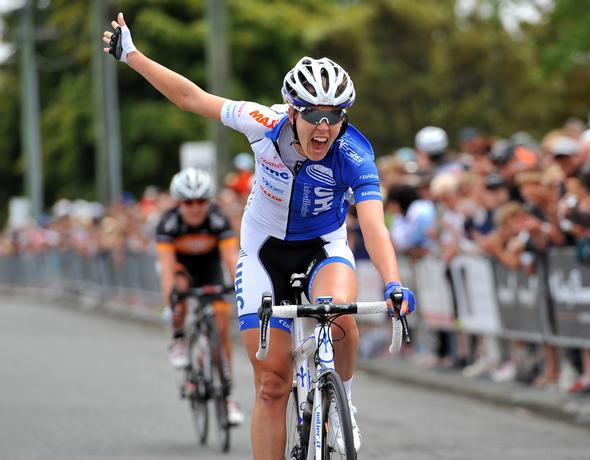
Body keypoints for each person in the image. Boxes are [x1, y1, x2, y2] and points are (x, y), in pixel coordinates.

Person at [104, 14, 415, 459]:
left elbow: (373, 224)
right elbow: (192, 98)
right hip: (263, 251)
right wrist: (132, 56)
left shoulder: (354, 153)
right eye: (312, 115)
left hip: (323, 249)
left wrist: (392, 282)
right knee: (272, 385)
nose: (323, 127)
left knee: (342, 317)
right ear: (293, 111)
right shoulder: (262, 123)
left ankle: (343, 399)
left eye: (333, 117)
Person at [155, 167, 244, 425]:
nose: (195, 208)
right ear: (179, 202)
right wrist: (172, 303)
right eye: (188, 202)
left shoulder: (218, 220)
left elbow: (231, 258)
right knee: (179, 292)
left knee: (221, 320)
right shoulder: (169, 223)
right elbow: (168, 271)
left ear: (209, 201)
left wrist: (242, 286)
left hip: (209, 269)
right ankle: (179, 337)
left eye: (201, 201)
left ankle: (227, 394)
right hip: (182, 268)